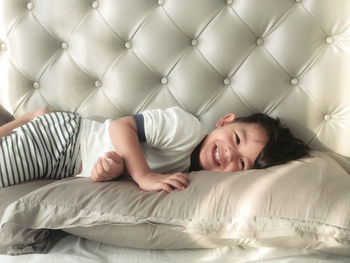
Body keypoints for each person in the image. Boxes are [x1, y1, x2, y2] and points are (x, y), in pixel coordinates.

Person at [0, 107, 309, 192]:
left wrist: (113, 170)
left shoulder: (190, 174)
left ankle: (32, 118)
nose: (230, 154)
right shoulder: (185, 127)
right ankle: (36, 121)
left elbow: (120, 154)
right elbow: (121, 127)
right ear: (224, 121)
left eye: (242, 164)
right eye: (237, 140)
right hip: (62, 141)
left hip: (67, 161)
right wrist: (143, 175)